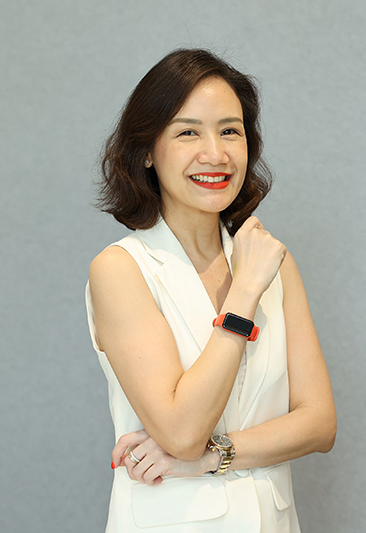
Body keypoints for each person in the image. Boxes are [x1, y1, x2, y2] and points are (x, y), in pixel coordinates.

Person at [85, 48, 336, 533]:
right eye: (187, 132)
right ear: (146, 151)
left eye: (230, 131)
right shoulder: (121, 269)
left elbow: (319, 422)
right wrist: (244, 293)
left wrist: (213, 457)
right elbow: (181, 432)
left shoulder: (274, 262)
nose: (216, 154)